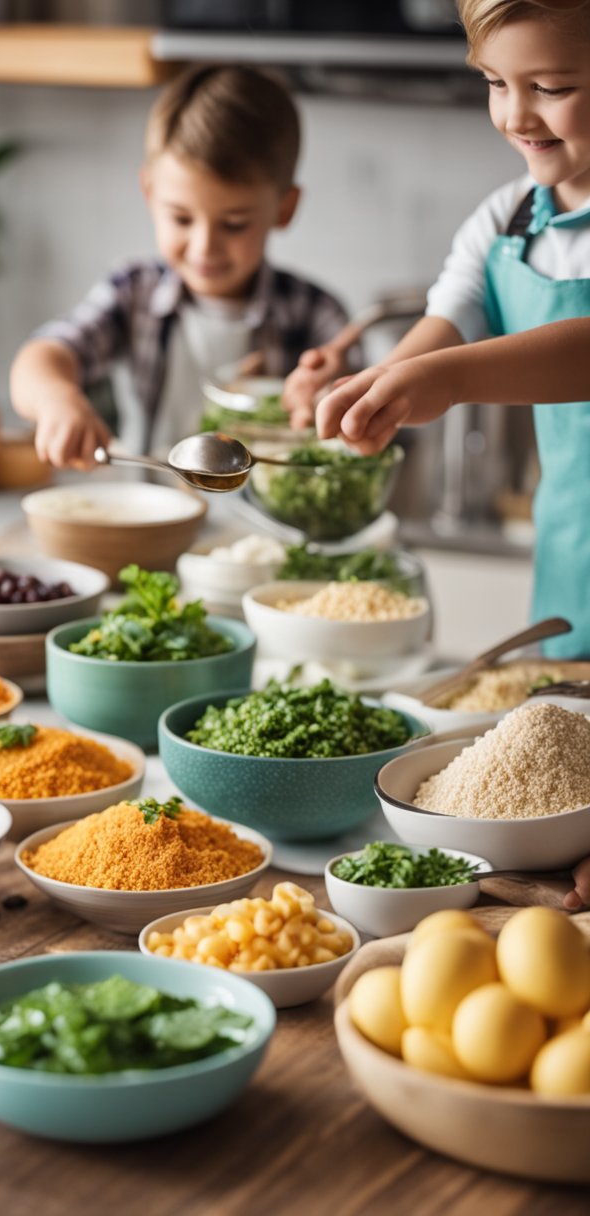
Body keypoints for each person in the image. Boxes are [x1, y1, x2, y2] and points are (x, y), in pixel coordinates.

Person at [284, 0, 590, 910]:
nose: (516, 115)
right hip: (568, 579)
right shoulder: (507, 218)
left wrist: (446, 380)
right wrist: (369, 390)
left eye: (555, 87)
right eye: (497, 84)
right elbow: (449, 318)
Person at [10, 64, 354, 468]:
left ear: (285, 207)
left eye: (234, 224)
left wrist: (329, 399)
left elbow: (365, 417)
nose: (204, 246)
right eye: (181, 219)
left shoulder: (316, 315)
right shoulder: (131, 292)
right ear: (149, 192)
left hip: (268, 525)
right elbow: (40, 358)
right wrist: (57, 400)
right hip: (148, 511)